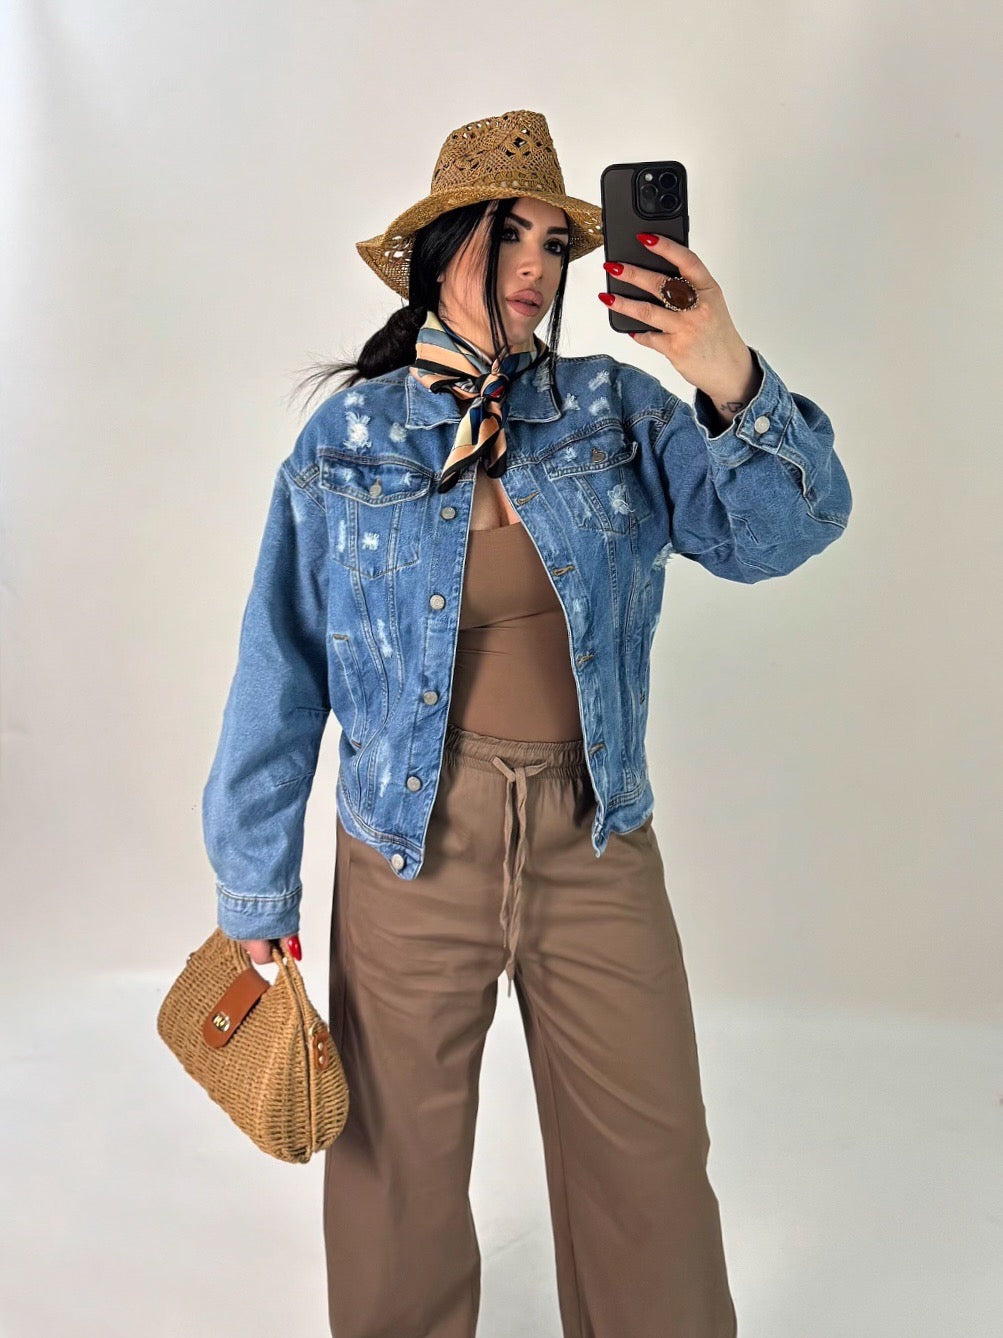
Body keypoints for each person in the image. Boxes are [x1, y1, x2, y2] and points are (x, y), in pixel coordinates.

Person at [201, 108, 852, 1337]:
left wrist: (725, 371)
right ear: (438, 248)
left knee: (651, 1165)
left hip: (593, 836)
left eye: (554, 244)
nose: (534, 269)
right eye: (508, 235)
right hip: (411, 848)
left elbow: (780, 536)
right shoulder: (349, 441)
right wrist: (254, 888)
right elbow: (278, 669)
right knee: (395, 1179)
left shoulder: (616, 411)